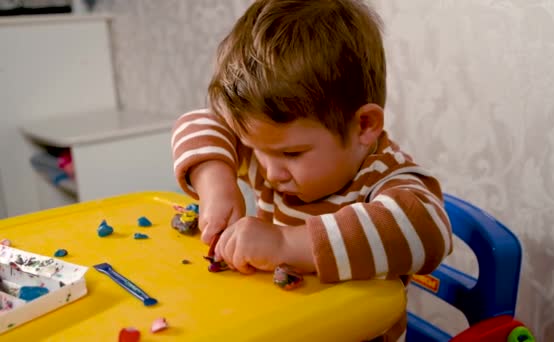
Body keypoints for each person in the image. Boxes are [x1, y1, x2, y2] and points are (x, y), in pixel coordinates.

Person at [171, 0, 453, 340]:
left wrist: (285, 244)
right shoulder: (271, 150)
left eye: (291, 153)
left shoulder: (384, 176)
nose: (271, 173)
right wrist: (216, 181)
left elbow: (427, 229)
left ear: (364, 125)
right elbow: (197, 122)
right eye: (256, 149)